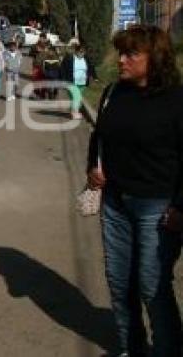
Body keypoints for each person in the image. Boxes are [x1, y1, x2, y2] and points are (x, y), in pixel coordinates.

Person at [87, 25, 183, 357]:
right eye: (121, 53)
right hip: (115, 203)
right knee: (119, 281)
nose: (121, 61)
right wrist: (92, 168)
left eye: (131, 54)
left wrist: (180, 207)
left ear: (155, 59)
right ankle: (132, 347)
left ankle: (168, 349)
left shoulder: (176, 100)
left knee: (152, 285)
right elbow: (97, 137)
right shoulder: (113, 93)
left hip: (159, 207)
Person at [60, 43, 97, 120]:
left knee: (77, 98)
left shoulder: (86, 59)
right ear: (76, 51)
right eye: (80, 51)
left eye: (83, 52)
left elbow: (91, 67)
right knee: (76, 97)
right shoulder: (69, 58)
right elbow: (62, 69)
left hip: (82, 82)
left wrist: (95, 77)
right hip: (71, 82)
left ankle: (73, 110)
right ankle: (75, 113)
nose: (82, 53)